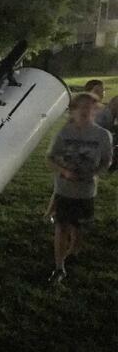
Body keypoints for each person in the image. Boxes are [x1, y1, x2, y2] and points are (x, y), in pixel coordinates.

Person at [46, 93, 113, 283]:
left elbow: (107, 161)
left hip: (86, 192)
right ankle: (59, 267)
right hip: (64, 190)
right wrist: (64, 172)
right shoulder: (63, 133)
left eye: (89, 107)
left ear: (95, 111)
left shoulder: (102, 135)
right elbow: (50, 158)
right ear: (73, 111)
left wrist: (95, 173)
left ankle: (73, 251)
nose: (85, 110)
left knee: (79, 227)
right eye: (81, 107)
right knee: (61, 226)